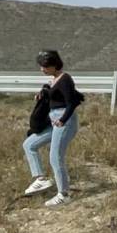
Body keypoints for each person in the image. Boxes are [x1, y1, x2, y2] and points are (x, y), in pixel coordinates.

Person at [22, 50, 82, 207]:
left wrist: (62, 120)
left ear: (55, 65)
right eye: (41, 66)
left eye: (45, 66)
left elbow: (72, 102)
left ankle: (64, 194)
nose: (42, 69)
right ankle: (40, 179)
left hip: (64, 122)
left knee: (55, 157)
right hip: (53, 120)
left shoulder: (65, 79)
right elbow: (53, 94)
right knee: (29, 144)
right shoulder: (53, 80)